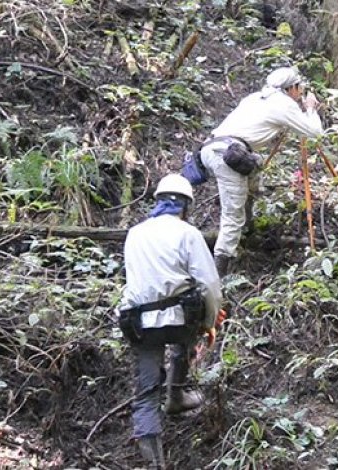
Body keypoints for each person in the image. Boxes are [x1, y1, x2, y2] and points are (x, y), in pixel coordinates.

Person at [117, 174, 222, 469]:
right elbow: (209, 284)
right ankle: (176, 394)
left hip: (140, 323)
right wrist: (210, 321)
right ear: (185, 205)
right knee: (183, 342)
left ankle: (154, 460)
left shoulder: (135, 233)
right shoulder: (188, 233)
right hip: (180, 319)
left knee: (146, 391)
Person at [200, 66, 324, 276]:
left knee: (255, 166)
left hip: (213, 148)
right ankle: (218, 274)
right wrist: (310, 108)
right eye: (299, 88)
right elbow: (314, 133)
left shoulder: (255, 97)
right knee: (232, 218)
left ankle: (248, 229)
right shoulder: (283, 104)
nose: (300, 93)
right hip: (229, 156)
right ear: (291, 88)